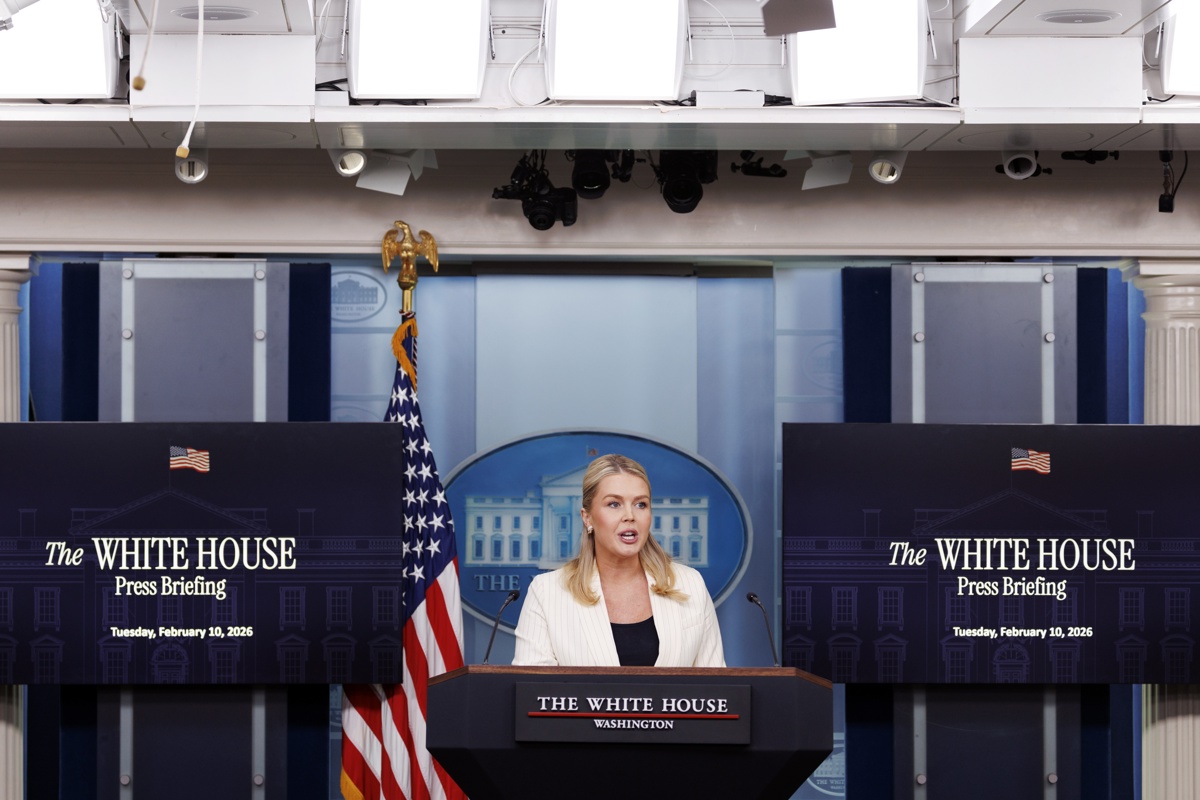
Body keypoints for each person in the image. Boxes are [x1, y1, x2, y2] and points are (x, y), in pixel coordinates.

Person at [512, 453, 725, 667]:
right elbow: (532, 695)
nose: (630, 515)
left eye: (641, 504)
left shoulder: (690, 584)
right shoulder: (546, 593)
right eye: (614, 504)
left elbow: (719, 691)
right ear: (587, 518)